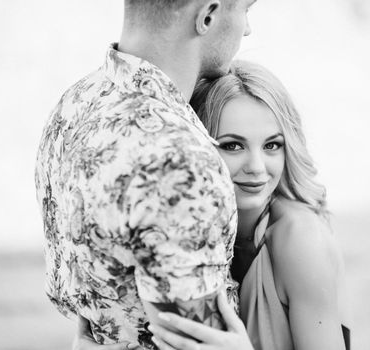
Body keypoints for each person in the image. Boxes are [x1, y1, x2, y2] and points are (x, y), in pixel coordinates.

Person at [76, 61, 351, 349]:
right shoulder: (186, 232)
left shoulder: (302, 240)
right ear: (197, 149)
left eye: (272, 145)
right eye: (233, 145)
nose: (257, 168)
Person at [35, 0, 256, 348]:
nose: (246, 28)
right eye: (246, 9)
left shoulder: (74, 104)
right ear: (208, 15)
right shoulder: (179, 160)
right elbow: (193, 340)